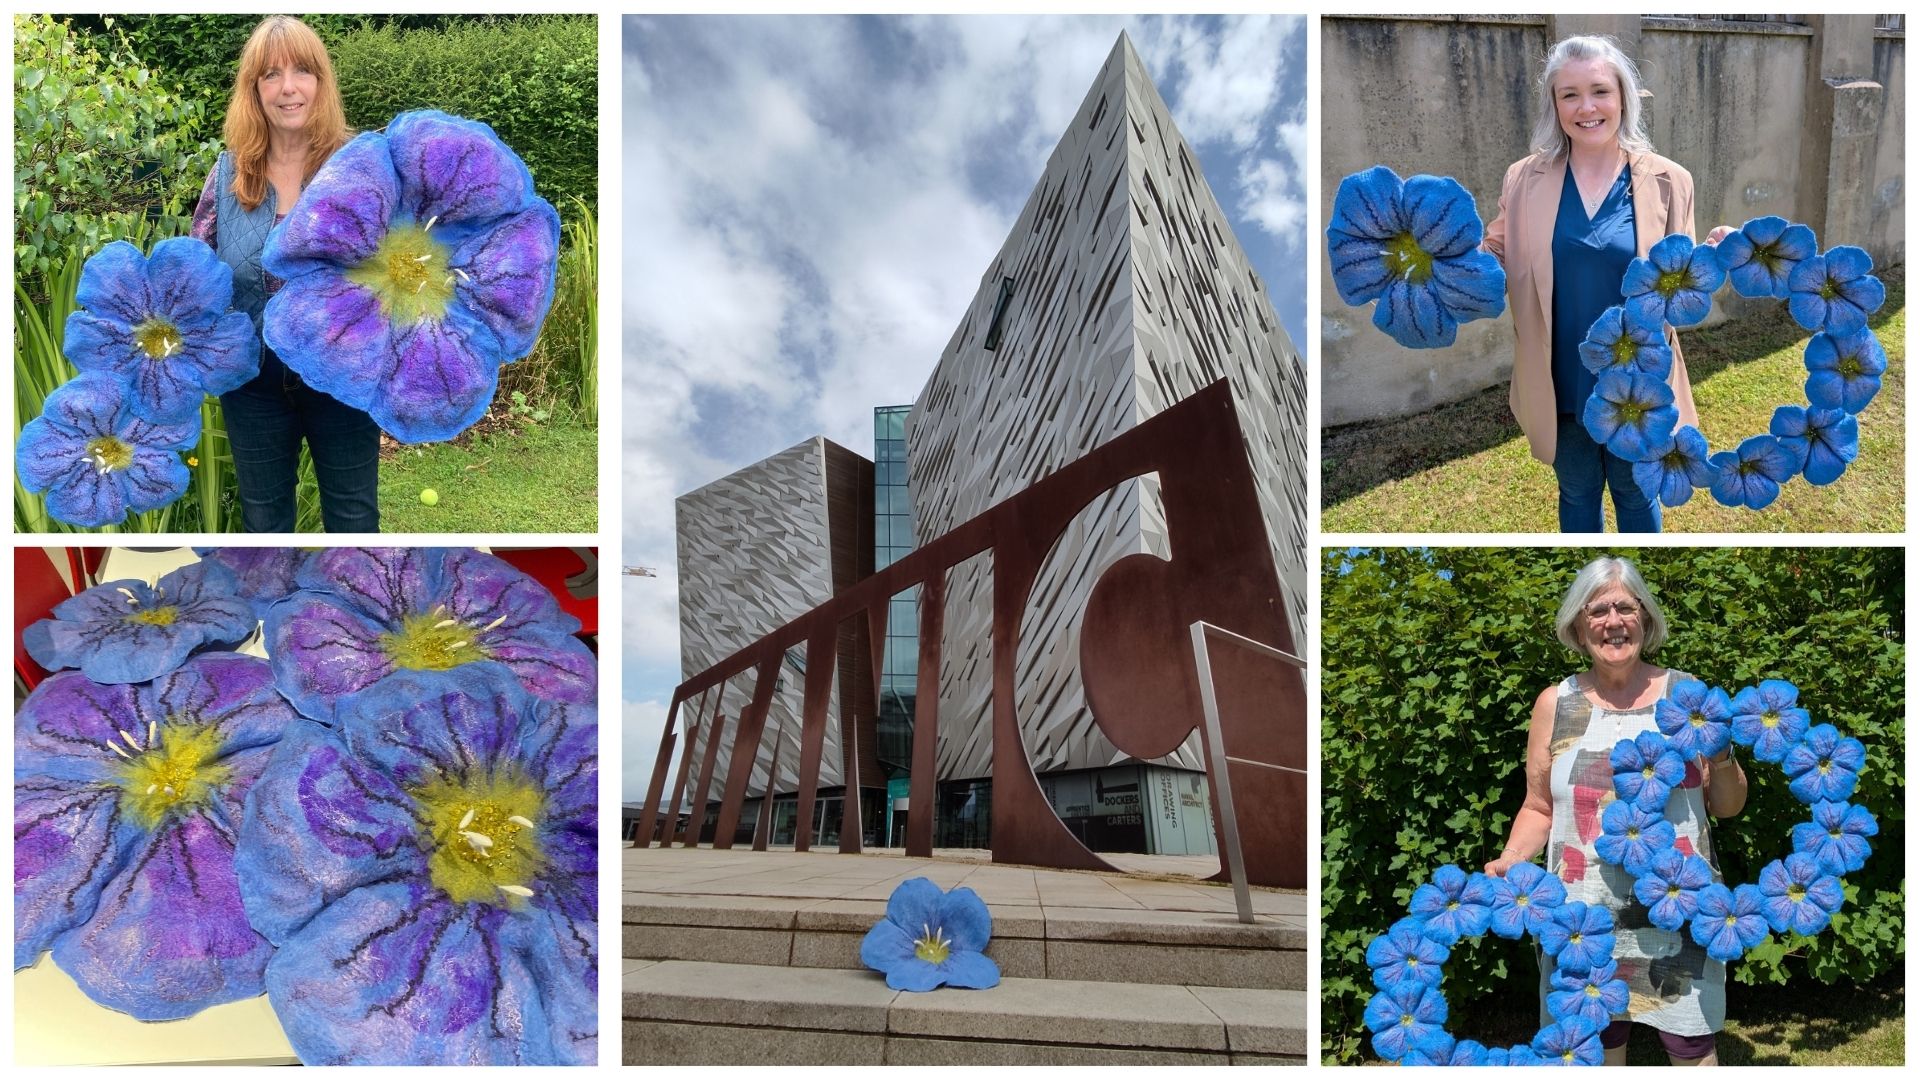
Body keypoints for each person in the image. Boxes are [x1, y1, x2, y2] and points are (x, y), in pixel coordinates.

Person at [1484, 556, 1747, 1066]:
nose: (1612, 621)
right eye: (1597, 610)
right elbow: (1538, 806)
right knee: (1594, 1048)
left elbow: (1728, 806)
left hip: (1679, 912)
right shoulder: (1554, 703)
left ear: (1645, 620)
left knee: (1690, 1041)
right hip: (1582, 914)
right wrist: (1512, 856)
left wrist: (1721, 753)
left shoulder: (1686, 694)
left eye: (1625, 608)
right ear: (1578, 626)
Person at [1482, 36, 1732, 534]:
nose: (1587, 107)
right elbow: (1494, 254)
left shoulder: (1670, 180)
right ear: (1554, 105)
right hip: (1558, 379)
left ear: (1623, 97)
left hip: (1641, 382)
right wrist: (1450, 260)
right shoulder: (1522, 178)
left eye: (1600, 90)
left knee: (1636, 493)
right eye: (1569, 94)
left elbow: (1681, 283)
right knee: (1576, 490)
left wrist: (1719, 254)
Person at [191, 16, 379, 532]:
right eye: (270, 75)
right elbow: (195, 272)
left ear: (322, 81)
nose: (288, 87)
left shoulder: (362, 166)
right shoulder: (230, 172)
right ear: (254, 90)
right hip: (252, 381)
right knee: (264, 525)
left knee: (354, 519)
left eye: (302, 71)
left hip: (342, 377)